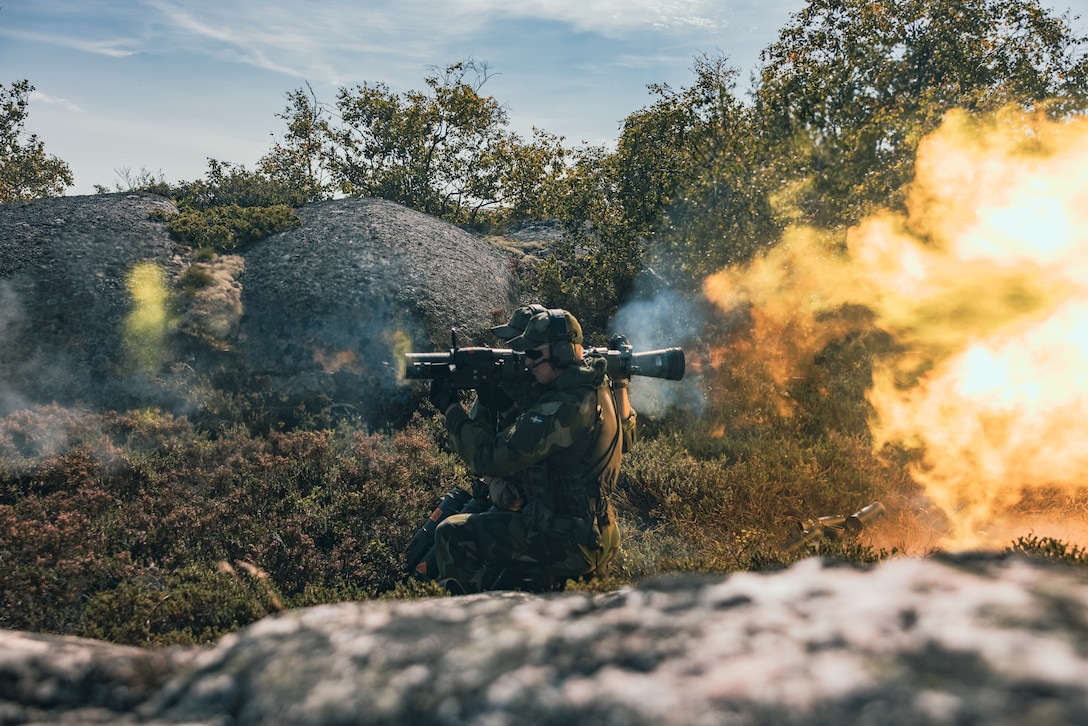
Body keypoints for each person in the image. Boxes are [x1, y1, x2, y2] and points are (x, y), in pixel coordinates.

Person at [428, 309, 622, 593]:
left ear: (560, 353)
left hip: (568, 542)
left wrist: (451, 410)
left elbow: (489, 458)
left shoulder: (564, 408)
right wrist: (506, 405)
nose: (527, 363)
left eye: (533, 354)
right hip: (594, 532)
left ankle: (471, 621)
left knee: (453, 534)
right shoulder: (593, 385)